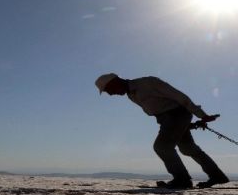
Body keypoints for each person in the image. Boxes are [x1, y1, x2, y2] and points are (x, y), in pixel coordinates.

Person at [95, 73, 229, 189]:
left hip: (176, 115)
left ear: (114, 82)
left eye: (108, 90)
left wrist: (201, 115)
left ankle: (182, 180)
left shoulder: (148, 83)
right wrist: (183, 125)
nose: (110, 94)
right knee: (188, 148)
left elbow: (179, 97)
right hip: (168, 119)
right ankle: (217, 176)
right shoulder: (131, 95)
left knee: (162, 147)